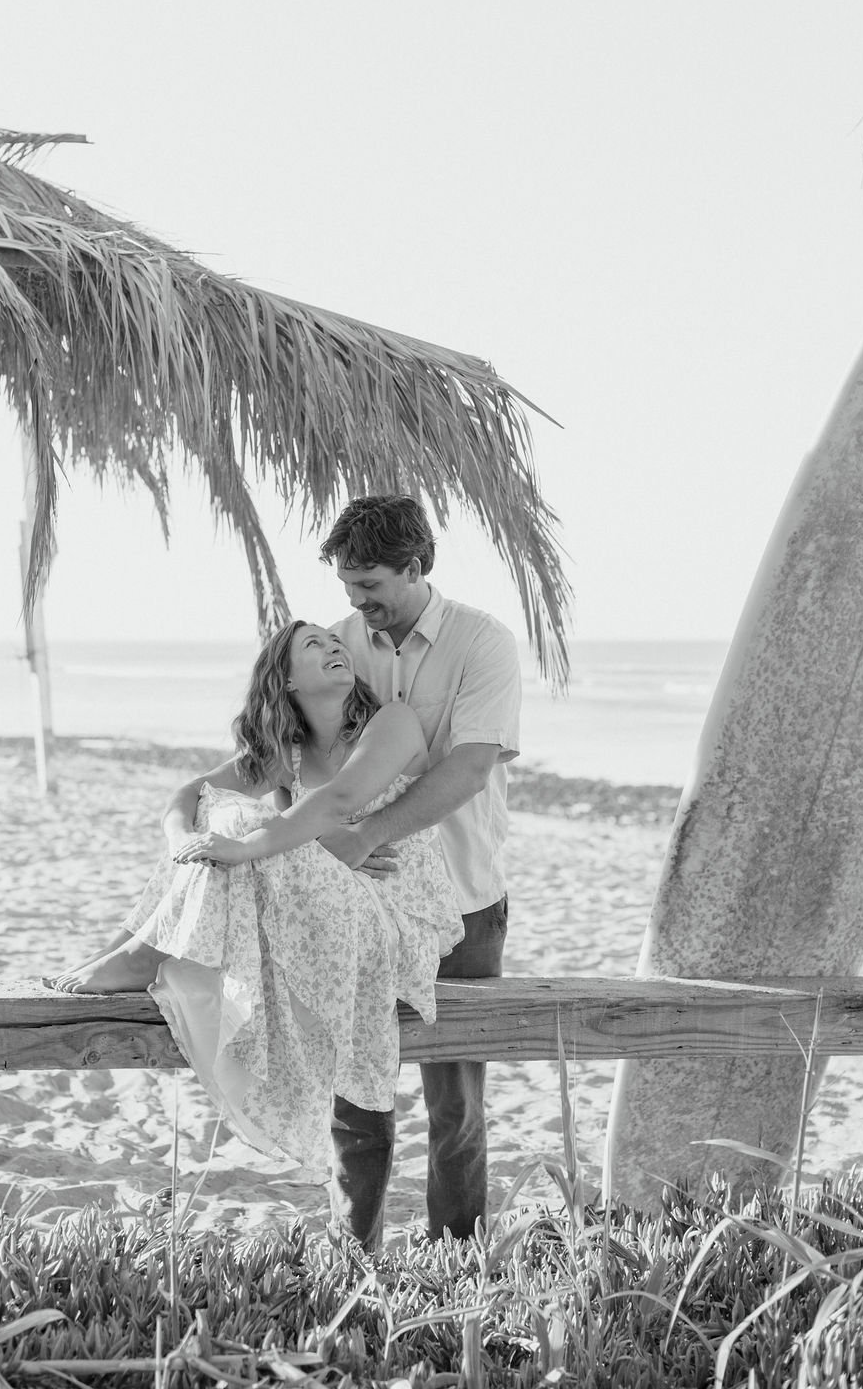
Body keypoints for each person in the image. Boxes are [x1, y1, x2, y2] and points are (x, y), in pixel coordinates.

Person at [49, 619, 463, 1184]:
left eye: (335, 641)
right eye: (313, 646)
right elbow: (189, 795)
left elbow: (338, 801)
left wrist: (240, 845)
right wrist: (183, 843)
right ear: (288, 682)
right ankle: (134, 951)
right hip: (333, 902)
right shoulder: (286, 754)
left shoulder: (392, 722)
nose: (334, 647)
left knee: (243, 827)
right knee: (227, 816)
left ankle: (139, 955)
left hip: (392, 913)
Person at [316, 494, 522, 1248]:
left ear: (416, 566)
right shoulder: (335, 644)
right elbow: (302, 760)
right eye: (347, 587)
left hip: (466, 905)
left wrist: (367, 832)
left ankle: (456, 1263)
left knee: (457, 1110)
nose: (358, 604)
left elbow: (468, 768)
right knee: (356, 1104)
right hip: (361, 910)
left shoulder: (483, 643)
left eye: (370, 586)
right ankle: (353, 1258)